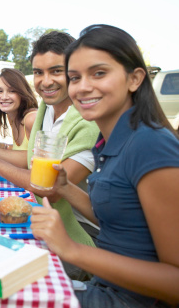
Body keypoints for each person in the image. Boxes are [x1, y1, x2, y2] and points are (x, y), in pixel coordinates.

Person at [31, 24, 179, 307]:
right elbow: (121, 221)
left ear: (135, 79)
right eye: (75, 77)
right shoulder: (109, 140)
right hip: (103, 286)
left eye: (99, 73)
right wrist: (66, 188)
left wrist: (72, 249)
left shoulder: (150, 145)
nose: (83, 86)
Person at [0, 31, 100, 280]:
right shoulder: (46, 109)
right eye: (39, 72)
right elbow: (31, 161)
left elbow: (50, 188)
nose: (46, 81)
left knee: (13, 276)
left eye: (56, 71)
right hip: (46, 215)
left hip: (81, 229)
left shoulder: (86, 123)